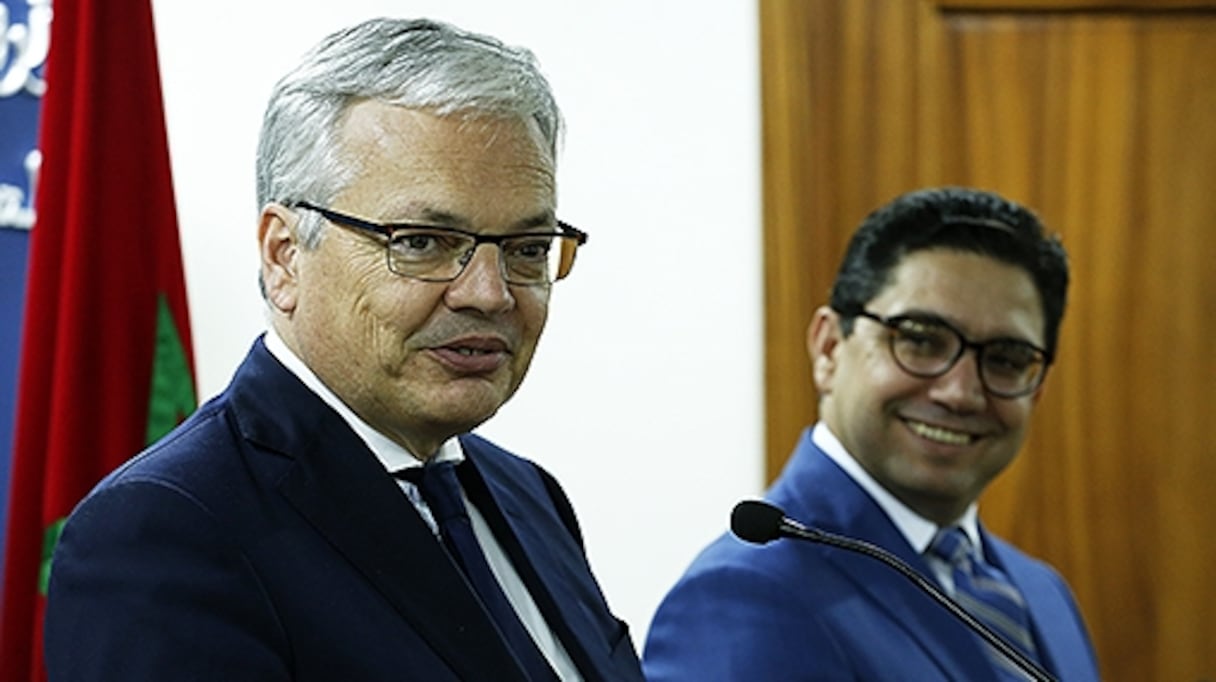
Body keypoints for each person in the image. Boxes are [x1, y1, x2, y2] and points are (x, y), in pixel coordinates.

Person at [44, 18, 644, 681]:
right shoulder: (165, 532)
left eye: (527, 250)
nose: (490, 294)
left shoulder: (526, 493)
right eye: (422, 242)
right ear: (283, 256)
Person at [643, 187, 1100, 681]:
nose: (961, 392)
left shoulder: (1042, 594)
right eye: (920, 340)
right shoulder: (742, 597)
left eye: (1007, 360)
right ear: (829, 348)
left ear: (1038, 388)